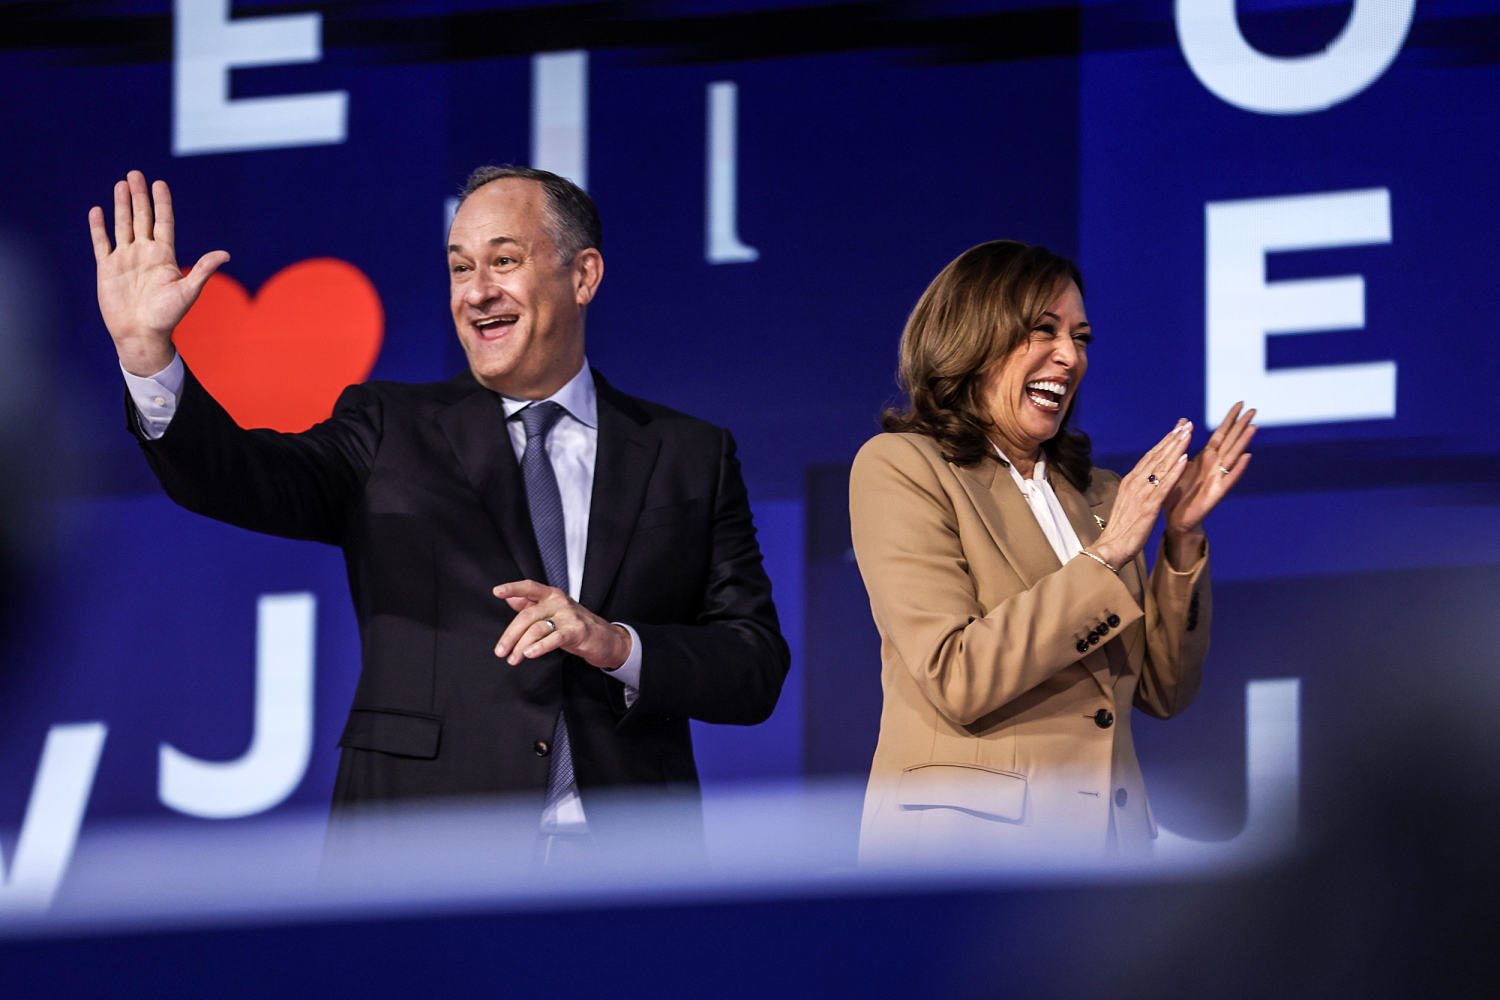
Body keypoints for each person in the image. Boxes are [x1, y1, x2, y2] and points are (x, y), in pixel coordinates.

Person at [88, 167, 789, 860]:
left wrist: (618, 646)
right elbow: (235, 478)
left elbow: (753, 664)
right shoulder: (389, 425)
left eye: (504, 261)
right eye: (460, 269)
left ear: (584, 276)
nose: (478, 292)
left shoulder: (688, 453)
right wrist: (147, 354)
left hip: (629, 869)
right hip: (425, 857)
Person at [850, 240, 1253, 861]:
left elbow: (1164, 692)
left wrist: (1181, 538)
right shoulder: (902, 467)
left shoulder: (1100, 494)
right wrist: (1110, 553)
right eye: (1044, 331)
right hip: (964, 856)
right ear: (973, 340)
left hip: (1107, 861)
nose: (1069, 357)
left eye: (1081, 338)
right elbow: (957, 673)